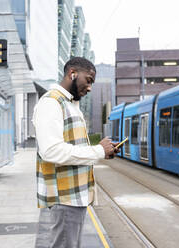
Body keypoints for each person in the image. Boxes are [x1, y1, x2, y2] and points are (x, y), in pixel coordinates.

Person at [32, 57, 118, 248]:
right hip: (65, 198)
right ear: (72, 73)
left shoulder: (70, 104)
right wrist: (97, 151)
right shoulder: (51, 103)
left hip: (74, 197)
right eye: (88, 80)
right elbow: (51, 151)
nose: (89, 88)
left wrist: (102, 151)